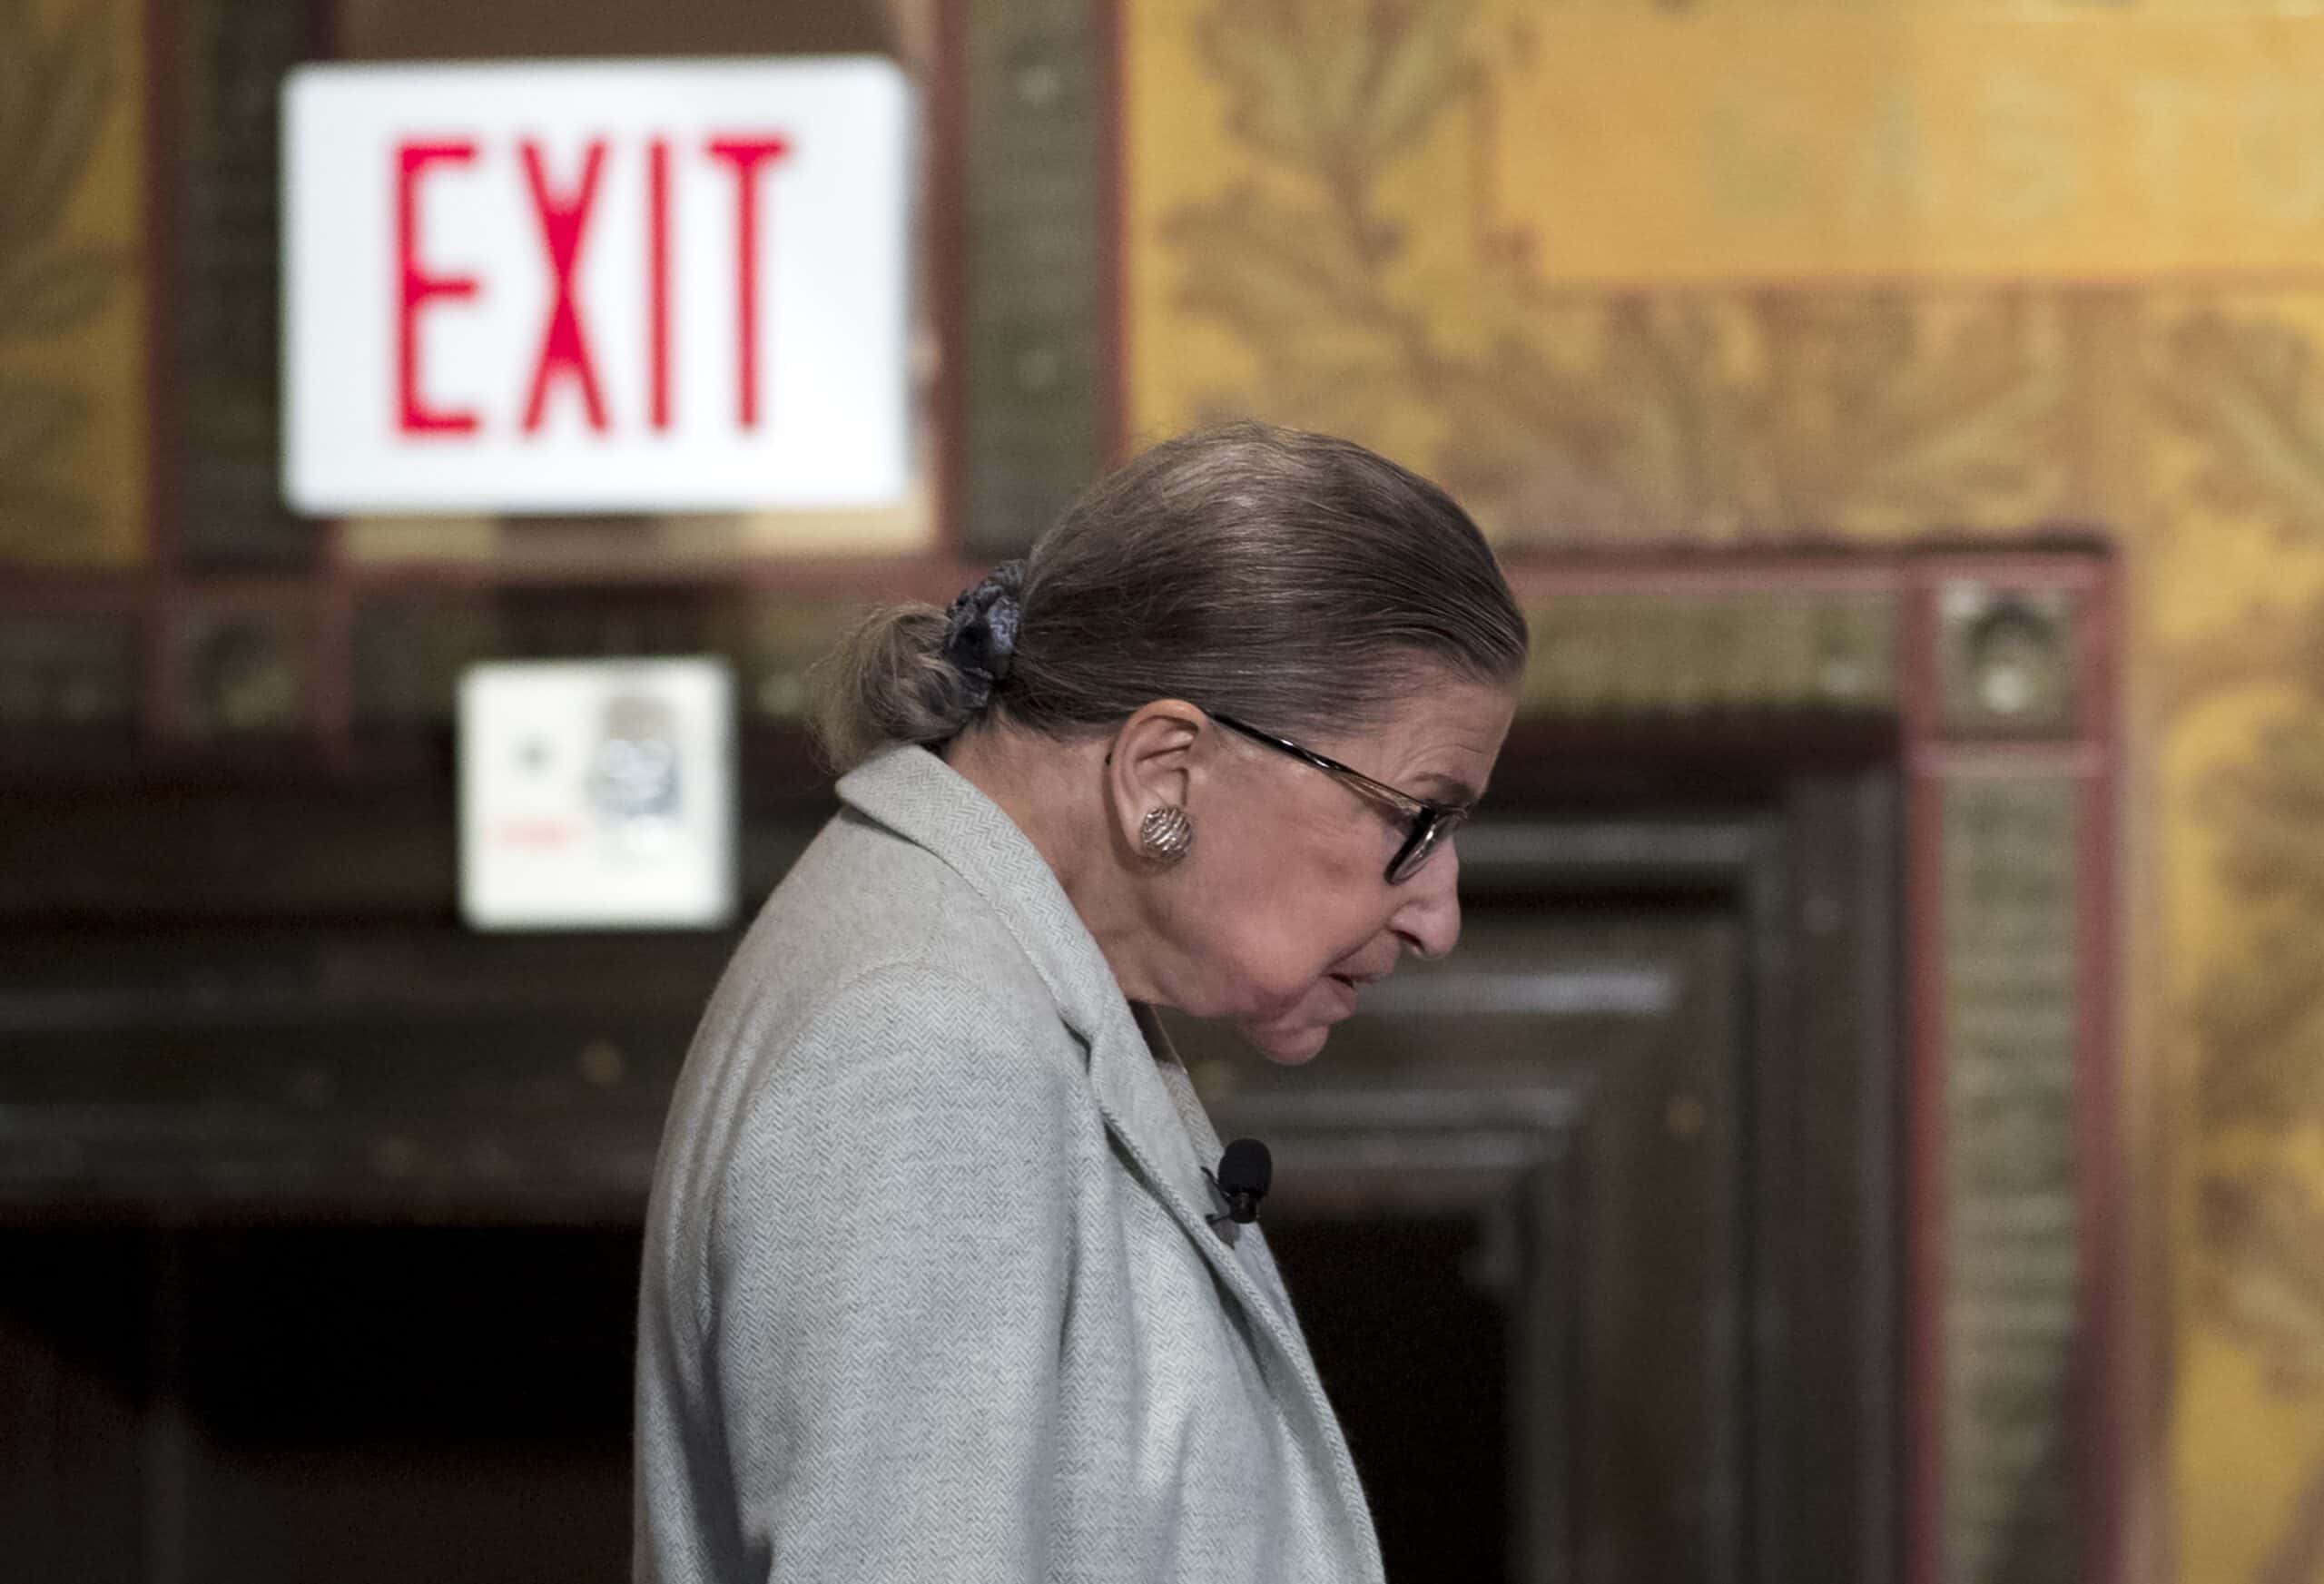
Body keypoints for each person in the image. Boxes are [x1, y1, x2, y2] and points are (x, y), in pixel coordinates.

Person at [634, 422, 1528, 1583]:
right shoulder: (923, 1035)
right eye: (1417, 815)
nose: (1437, 914)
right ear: (1165, 775)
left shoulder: (977, 970)